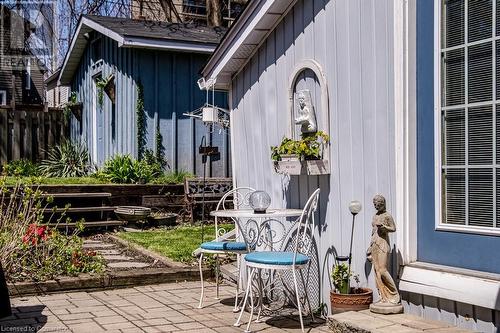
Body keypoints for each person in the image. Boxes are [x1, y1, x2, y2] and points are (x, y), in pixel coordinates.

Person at [366, 194, 400, 305]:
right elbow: (373, 232)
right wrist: (370, 246)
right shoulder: (375, 216)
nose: (375, 206)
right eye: (374, 204)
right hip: (375, 243)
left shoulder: (387, 215)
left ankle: (394, 295)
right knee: (377, 272)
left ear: (382, 203)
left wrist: (384, 228)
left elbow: (393, 228)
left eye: (377, 204)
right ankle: (383, 296)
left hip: (383, 243)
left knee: (382, 270)